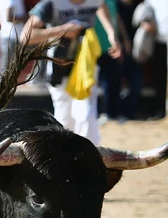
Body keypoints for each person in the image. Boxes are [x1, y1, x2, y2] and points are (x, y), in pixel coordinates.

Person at [21, 0, 120, 145]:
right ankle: (65, 158)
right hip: (58, 65)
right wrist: (63, 30)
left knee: (86, 114)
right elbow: (25, 36)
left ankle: (88, 157)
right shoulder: (51, 3)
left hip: (85, 65)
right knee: (64, 117)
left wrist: (111, 33)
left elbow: (101, 7)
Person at [117, 0, 143, 119]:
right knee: (117, 83)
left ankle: (130, 113)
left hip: (137, 51)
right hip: (119, 50)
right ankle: (118, 112)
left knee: (135, 82)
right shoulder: (116, 6)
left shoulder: (140, 5)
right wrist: (124, 41)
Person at [143, 0, 167, 118]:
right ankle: (159, 110)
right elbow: (142, 14)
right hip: (157, 41)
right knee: (158, 78)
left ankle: (163, 109)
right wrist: (144, 23)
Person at [0, 0, 28, 82]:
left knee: (6, 69)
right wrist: (28, 17)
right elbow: (9, 17)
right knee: (5, 69)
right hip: (11, 37)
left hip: (13, 37)